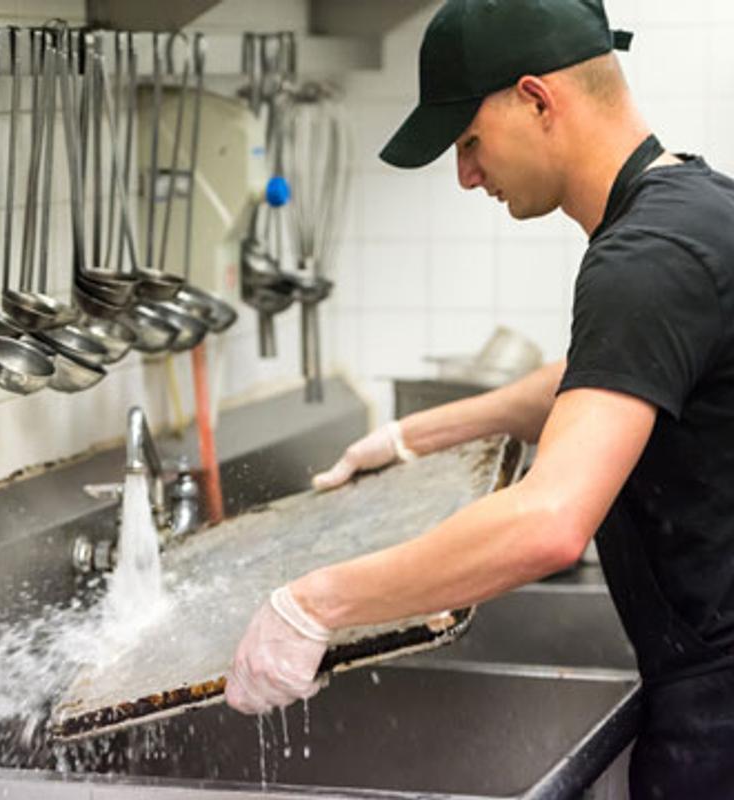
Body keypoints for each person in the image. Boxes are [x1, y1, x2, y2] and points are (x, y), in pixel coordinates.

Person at [225, 1, 734, 797]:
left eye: (468, 142)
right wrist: (416, 436)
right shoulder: (697, 207)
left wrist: (314, 603)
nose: (466, 176)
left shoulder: (644, 258)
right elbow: (604, 376)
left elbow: (549, 525)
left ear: (536, 99)